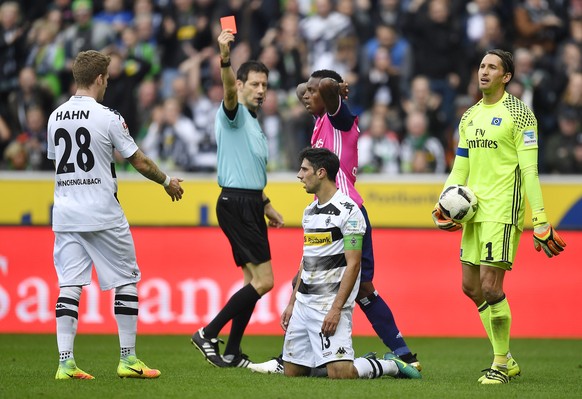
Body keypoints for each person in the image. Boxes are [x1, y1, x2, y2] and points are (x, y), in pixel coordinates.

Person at [250, 69, 420, 374]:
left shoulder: (340, 118)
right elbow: (309, 85)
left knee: (358, 285)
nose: (305, 96)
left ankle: (400, 356)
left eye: (312, 93)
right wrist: (316, 87)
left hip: (347, 212)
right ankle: (299, 355)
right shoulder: (319, 120)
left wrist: (334, 88)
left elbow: (326, 84)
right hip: (324, 211)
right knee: (337, 283)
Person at [431, 49, 567, 384]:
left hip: (502, 210)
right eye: (481, 66)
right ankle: (505, 355)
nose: (484, 72)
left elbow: (530, 171)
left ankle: (500, 364)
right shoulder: (469, 116)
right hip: (473, 211)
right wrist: (444, 203)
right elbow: (460, 166)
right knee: (470, 287)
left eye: (492, 67)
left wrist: (541, 220)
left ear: (506, 77)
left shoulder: (520, 115)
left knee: (491, 288)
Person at [47, 50, 184, 380]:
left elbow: (57, 161)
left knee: (69, 285)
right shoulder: (107, 116)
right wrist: (167, 181)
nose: (107, 84)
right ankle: (128, 358)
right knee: (127, 281)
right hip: (103, 213)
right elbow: (138, 161)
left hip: (65, 214)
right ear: (98, 79)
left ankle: (65, 362)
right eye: (106, 79)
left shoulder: (54, 117)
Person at [281, 147, 420, 380]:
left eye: (304, 169)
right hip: (304, 304)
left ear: (321, 173)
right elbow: (305, 261)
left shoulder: (349, 212)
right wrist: (292, 303)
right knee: (293, 373)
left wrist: (336, 309)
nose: (299, 175)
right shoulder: (309, 212)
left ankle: (390, 365)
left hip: (330, 304)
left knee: (341, 374)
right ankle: (331, 356)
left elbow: (354, 265)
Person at [190, 28, 284, 368]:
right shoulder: (233, 112)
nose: (261, 91)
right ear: (241, 85)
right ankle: (208, 333)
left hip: (248, 203)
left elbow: (250, 173)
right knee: (266, 281)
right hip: (236, 204)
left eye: (265, 85)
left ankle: (232, 351)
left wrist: (266, 203)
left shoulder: (254, 123)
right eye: (255, 84)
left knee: (251, 282)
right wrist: (225, 57)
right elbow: (228, 89)